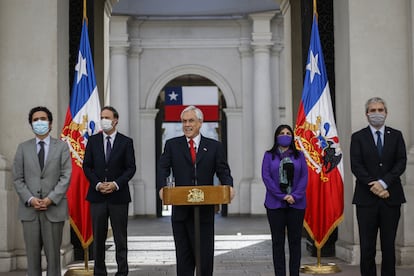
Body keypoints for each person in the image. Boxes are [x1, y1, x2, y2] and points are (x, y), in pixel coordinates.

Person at [158, 105, 235, 276]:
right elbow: (163, 168)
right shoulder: (172, 145)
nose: (187, 124)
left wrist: (229, 185)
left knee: (204, 256)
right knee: (183, 255)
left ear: (200, 123)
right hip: (181, 211)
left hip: (204, 211)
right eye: (184, 121)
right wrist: (162, 187)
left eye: (191, 120)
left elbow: (223, 170)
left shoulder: (214, 146)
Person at [12, 106, 72, 276]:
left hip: (54, 209)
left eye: (43, 119)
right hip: (29, 211)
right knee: (32, 258)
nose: (39, 122)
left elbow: (66, 176)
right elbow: (17, 178)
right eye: (35, 120)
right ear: (31, 124)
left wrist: (50, 199)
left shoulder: (61, 147)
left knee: (53, 258)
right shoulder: (23, 148)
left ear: (50, 123)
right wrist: (30, 199)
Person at [350, 97, 406, 276]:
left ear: (386, 113)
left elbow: (401, 162)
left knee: (389, 247)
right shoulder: (358, 137)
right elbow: (356, 165)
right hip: (366, 200)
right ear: (366, 114)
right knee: (367, 247)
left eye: (380, 110)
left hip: (391, 197)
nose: (377, 114)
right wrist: (372, 184)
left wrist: (383, 183)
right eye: (372, 110)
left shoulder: (396, 135)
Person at [83, 106, 136, 276]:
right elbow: (87, 166)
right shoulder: (92, 141)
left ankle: (122, 272)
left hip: (118, 197)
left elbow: (130, 168)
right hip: (97, 196)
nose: (103, 120)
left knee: (120, 238)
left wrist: (115, 184)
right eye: (101, 117)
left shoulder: (126, 142)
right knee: (98, 238)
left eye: (107, 117)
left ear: (115, 120)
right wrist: (98, 184)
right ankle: (99, 272)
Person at [261, 124, 308, 276]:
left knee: (295, 242)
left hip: (297, 203)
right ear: (276, 136)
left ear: (292, 137)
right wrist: (282, 196)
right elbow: (266, 177)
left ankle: (294, 273)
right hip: (275, 204)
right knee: (277, 242)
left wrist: (294, 195)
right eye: (282, 133)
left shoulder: (299, 155)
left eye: (288, 133)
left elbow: (304, 178)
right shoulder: (269, 155)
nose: (285, 135)